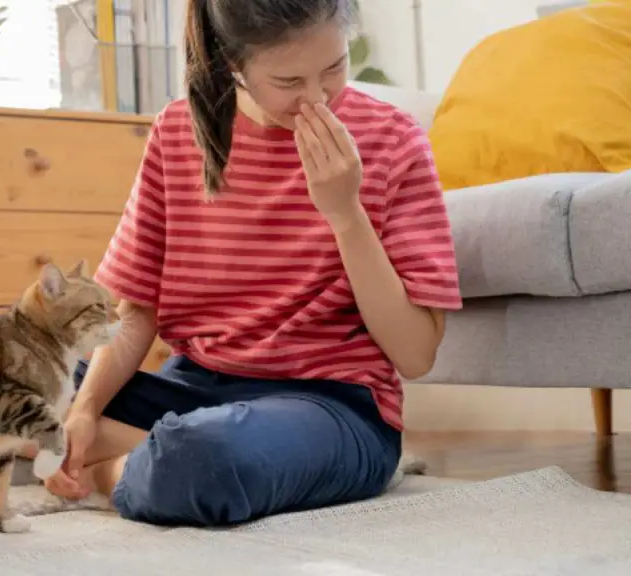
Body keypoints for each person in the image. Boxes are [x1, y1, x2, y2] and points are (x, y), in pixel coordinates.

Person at [43, 0, 462, 527]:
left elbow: (416, 355)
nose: (319, 98)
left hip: (331, 406)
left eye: (335, 67)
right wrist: (82, 411)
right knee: (12, 385)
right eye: (289, 81)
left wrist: (346, 215)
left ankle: (107, 468)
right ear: (231, 65)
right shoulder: (177, 133)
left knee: (202, 460)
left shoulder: (394, 139)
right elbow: (134, 314)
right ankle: (118, 446)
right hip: (193, 391)